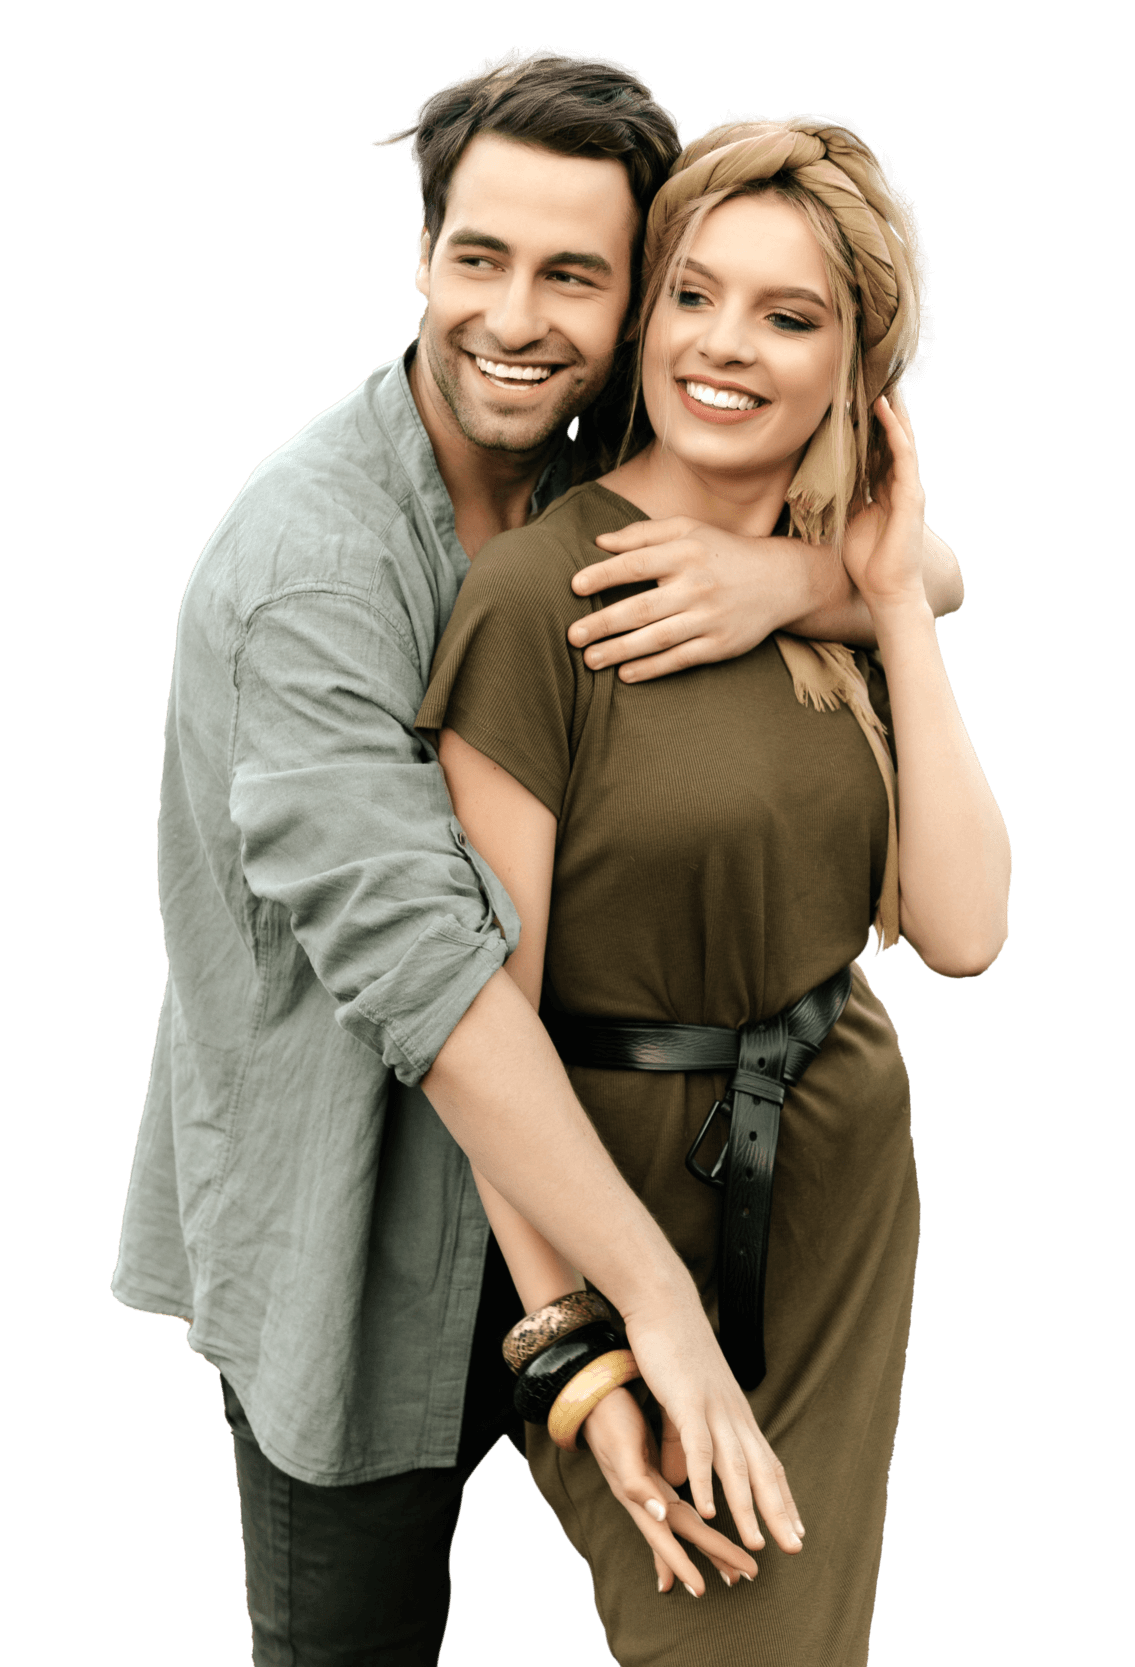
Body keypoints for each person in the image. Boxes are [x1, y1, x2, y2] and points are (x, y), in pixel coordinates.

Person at [111, 50, 965, 1665]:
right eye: (479, 258)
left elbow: (919, 563)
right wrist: (633, 1314)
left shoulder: (604, 449)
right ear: (419, 255)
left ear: (636, 296)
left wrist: (787, 585)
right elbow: (429, 975)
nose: (515, 318)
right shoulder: (309, 564)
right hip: (357, 1221)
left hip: (620, 1170)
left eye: (574, 274)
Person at [415, 110, 1010, 1665]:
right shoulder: (537, 597)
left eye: (786, 315)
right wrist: (571, 1353)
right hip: (625, 1199)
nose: (722, 344)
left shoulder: (836, 573)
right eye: (690, 293)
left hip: (837, 1182)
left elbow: (960, 932)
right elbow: (482, 1031)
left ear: (860, 369)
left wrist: (885, 594)